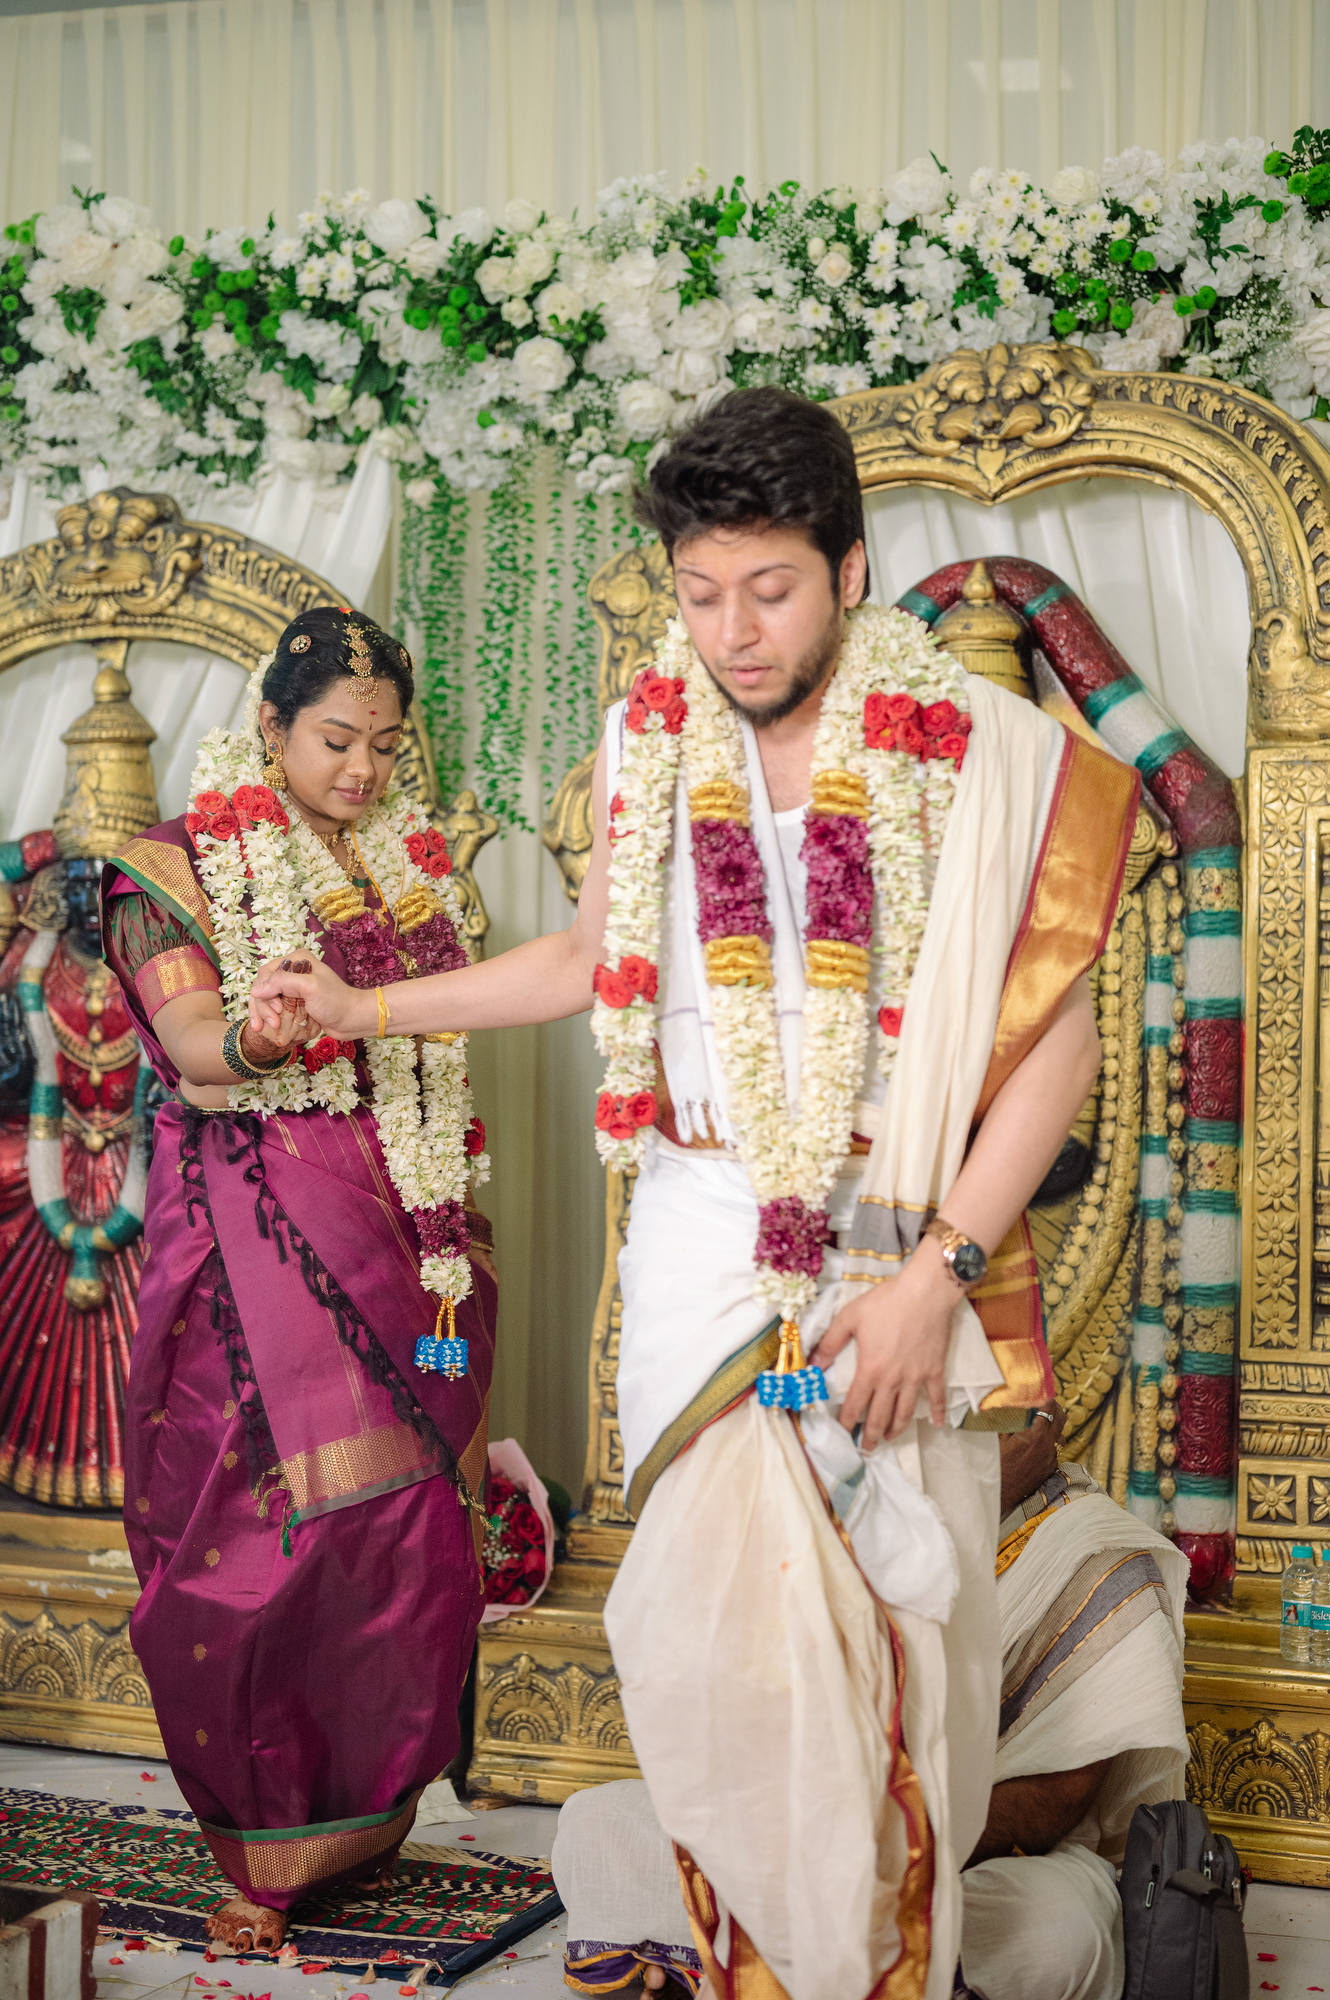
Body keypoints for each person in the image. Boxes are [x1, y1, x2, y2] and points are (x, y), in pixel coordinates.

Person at [249, 389, 1140, 1999]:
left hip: (889, 1231)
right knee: (702, 1648)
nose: (732, 632)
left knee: (888, 1654)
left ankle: (861, 1970)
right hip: (693, 1231)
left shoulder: (986, 755)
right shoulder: (646, 737)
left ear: (850, 569)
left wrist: (929, 1278)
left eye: (771, 589)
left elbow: (1053, 1046)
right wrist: (363, 1007)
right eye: (702, 591)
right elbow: (587, 961)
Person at [102, 606, 495, 1953]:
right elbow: (192, 1044)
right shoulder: (173, 866)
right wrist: (267, 1040)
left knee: (405, 1519)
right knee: (268, 1527)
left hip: (407, 1233)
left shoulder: (403, 871)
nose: (364, 770)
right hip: (251, 1237)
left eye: (386, 745)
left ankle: (363, 1814)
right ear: (270, 725)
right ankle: (260, 1841)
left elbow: (433, 1052)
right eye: (336, 739)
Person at [550, 1406, 1189, 2000]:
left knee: (1059, 1931)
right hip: (814, 1830)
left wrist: (888, 1851)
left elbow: (1057, 1800)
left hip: (978, 1862)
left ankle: (735, 1960)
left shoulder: (1100, 1551)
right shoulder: (868, 1508)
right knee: (595, 1823)